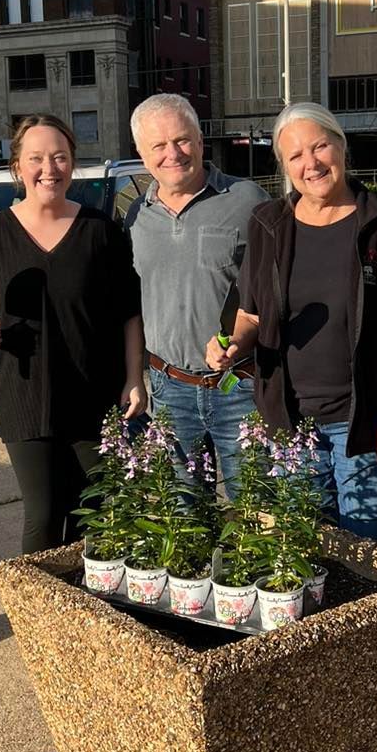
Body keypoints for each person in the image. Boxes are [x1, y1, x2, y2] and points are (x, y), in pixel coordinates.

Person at [206, 103, 377, 545]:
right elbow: (250, 314)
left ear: (340, 145)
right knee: (306, 549)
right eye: (296, 155)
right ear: (284, 166)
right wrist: (232, 346)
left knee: (370, 550)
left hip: (363, 421)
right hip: (290, 422)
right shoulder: (269, 225)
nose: (311, 163)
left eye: (320, 146)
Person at [0, 115, 145, 554]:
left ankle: (92, 613)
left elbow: (129, 313)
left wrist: (134, 377)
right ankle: (39, 615)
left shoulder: (100, 231)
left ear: (72, 163)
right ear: (18, 168)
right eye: (37, 158)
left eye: (60, 157)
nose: (50, 168)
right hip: (24, 395)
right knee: (43, 513)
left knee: (99, 511)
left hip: (94, 394)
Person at [125, 93, 268, 495]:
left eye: (182, 140)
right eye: (158, 145)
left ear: (200, 140)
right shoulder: (136, 216)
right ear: (141, 153)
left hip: (239, 386)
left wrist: (240, 340)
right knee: (184, 514)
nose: (173, 153)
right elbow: (131, 306)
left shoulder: (248, 201)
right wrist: (134, 376)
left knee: (255, 512)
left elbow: (271, 292)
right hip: (169, 389)